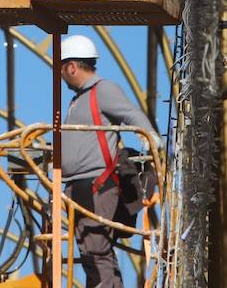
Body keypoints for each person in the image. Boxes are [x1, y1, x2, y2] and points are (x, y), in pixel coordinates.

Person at [58, 33, 159, 288]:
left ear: (71, 66)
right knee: (90, 247)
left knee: (95, 246)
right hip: (78, 184)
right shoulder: (78, 99)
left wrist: (152, 142)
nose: (60, 74)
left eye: (61, 68)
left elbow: (132, 115)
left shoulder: (103, 90)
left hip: (98, 184)